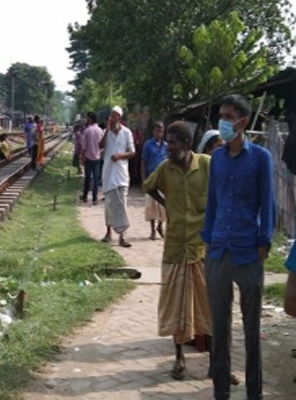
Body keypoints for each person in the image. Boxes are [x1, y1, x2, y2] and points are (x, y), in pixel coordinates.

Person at [202, 94, 275, 400]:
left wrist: (264, 242)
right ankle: (220, 390)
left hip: (248, 251)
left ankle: (254, 392)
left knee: (251, 330)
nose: (223, 122)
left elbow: (267, 203)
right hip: (218, 249)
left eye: (229, 117)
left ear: (243, 122)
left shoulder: (261, 158)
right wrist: (207, 238)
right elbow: (213, 201)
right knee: (219, 329)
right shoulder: (216, 158)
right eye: (221, 116)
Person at [143, 121, 213, 381]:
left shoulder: (207, 164)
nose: (168, 148)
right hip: (174, 247)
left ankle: (216, 363)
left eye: (173, 143)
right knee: (176, 307)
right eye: (168, 142)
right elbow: (149, 186)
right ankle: (179, 359)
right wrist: (167, 206)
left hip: (202, 246)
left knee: (207, 306)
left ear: (186, 144)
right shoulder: (165, 169)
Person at [100, 106, 135, 248]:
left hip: (121, 174)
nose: (111, 118)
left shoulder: (127, 133)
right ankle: (108, 233)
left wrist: (120, 155)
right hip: (108, 174)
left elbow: (132, 152)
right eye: (110, 116)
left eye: (114, 116)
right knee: (109, 204)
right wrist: (106, 130)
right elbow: (100, 146)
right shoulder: (106, 132)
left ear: (119, 118)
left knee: (122, 204)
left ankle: (123, 236)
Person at [141, 121, 168, 240]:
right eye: (157, 130)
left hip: (164, 179)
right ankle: (152, 230)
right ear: (154, 131)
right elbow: (143, 162)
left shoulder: (167, 146)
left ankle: (160, 226)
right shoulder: (148, 145)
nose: (159, 132)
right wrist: (143, 178)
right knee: (151, 205)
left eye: (161, 130)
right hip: (151, 177)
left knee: (164, 205)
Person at [79, 112, 104, 205]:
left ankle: (85, 196)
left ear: (90, 119)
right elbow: (102, 146)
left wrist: (82, 157)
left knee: (87, 178)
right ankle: (94, 198)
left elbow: (84, 146)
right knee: (96, 179)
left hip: (88, 157)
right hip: (97, 158)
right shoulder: (100, 131)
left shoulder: (87, 131)